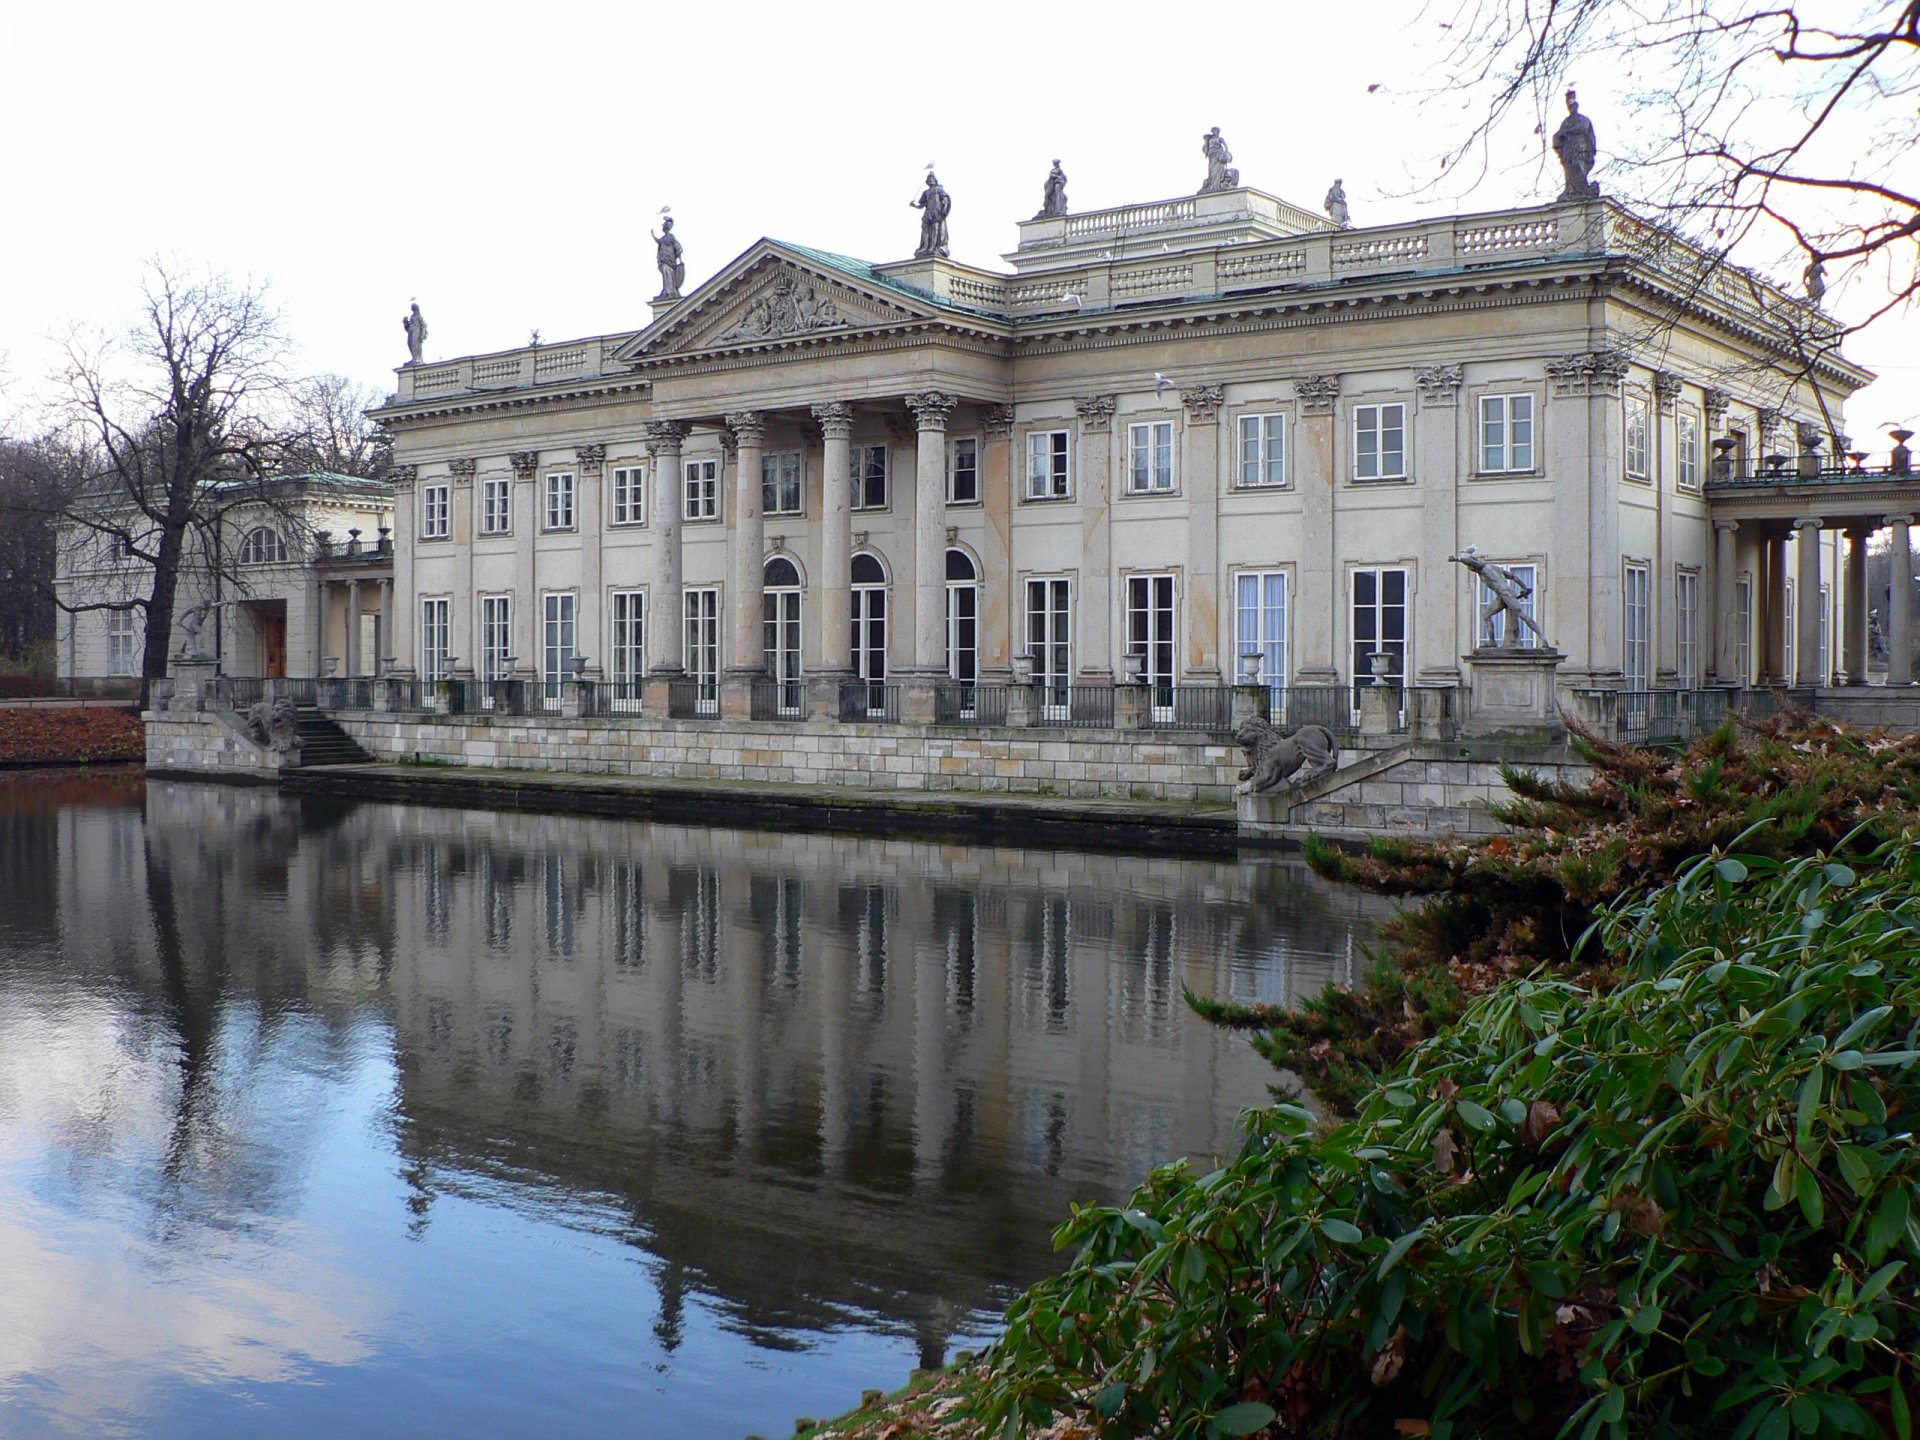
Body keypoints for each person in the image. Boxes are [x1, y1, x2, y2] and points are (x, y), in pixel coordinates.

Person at [1451, 551, 1548, 648]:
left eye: (1471, 568)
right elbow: (1513, 576)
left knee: (1523, 615)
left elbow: (1471, 562)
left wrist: (1457, 559)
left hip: (1507, 594)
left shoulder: (1484, 569)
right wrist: (1524, 587)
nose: (1472, 569)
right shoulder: (1494, 568)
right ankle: (1492, 642)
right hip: (1501, 596)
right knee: (1486, 615)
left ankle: (1542, 639)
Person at [1552, 89, 1599, 201]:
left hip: (1581, 148)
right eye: (1569, 105)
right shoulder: (1566, 122)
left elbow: (1590, 136)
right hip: (1569, 149)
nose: (1572, 108)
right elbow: (1559, 135)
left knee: (1578, 166)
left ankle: (1583, 191)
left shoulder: (1584, 120)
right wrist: (1559, 139)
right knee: (1570, 169)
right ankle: (1571, 190)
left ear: (1576, 106)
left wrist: (1591, 150)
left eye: (1573, 105)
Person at [911, 173, 951, 258]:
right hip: (928, 213)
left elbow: (945, 199)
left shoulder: (939, 189)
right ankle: (925, 247)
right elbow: (922, 205)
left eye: (932, 179)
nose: (930, 181)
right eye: (929, 179)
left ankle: (933, 247)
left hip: (937, 212)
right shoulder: (926, 192)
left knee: (935, 229)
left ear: (935, 180)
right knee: (925, 230)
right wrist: (914, 205)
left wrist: (944, 209)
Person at [653, 216, 686, 299]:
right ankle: (667, 290)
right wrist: (653, 235)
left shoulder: (671, 237)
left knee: (668, 273)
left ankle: (670, 291)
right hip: (663, 260)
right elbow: (658, 241)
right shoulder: (663, 238)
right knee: (666, 274)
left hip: (669, 260)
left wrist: (680, 260)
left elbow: (677, 248)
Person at [1200, 127, 1237, 193]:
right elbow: (1206, 148)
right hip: (1211, 156)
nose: (1215, 132)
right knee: (1212, 170)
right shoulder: (1209, 139)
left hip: (1218, 154)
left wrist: (1225, 154)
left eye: (1216, 131)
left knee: (1218, 170)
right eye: (1213, 131)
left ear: (1218, 132)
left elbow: (1225, 146)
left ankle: (1217, 184)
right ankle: (1212, 185)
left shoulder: (1220, 139)